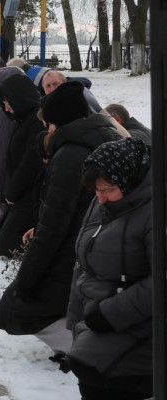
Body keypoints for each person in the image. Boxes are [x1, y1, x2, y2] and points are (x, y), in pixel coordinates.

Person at [0, 81, 123, 353]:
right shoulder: (101, 136)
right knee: (71, 301)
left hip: (71, 245)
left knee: (23, 306)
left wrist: (27, 275)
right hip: (92, 243)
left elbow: (57, 221)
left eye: (49, 124)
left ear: (57, 123)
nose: (46, 130)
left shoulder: (70, 154)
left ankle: (83, 352)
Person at [65, 138, 153, 400]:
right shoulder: (103, 203)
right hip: (99, 316)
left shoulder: (154, 211)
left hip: (141, 320)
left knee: (96, 372)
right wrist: (75, 318)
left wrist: (110, 313)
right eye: (96, 191)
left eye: (109, 189)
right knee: (87, 370)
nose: (101, 198)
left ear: (130, 179)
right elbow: (84, 265)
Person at [0, 72, 45, 258]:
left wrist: (11, 192)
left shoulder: (35, 122)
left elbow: (30, 162)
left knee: (6, 249)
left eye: (8, 102)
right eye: (3, 103)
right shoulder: (24, 119)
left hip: (27, 195)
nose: (7, 108)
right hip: (21, 194)